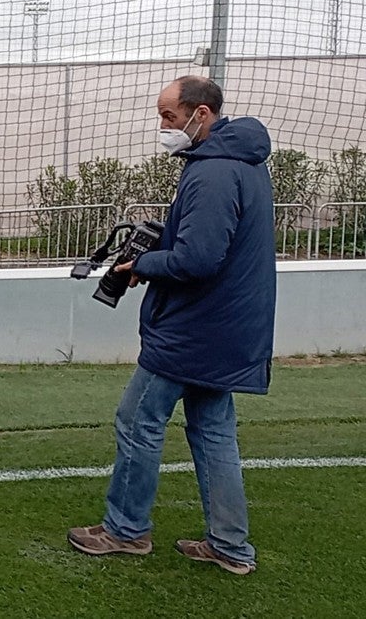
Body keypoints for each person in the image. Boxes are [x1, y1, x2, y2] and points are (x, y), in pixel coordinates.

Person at [67, 76, 275, 576]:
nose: (163, 126)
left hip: (193, 330)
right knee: (213, 431)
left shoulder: (213, 172)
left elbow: (199, 258)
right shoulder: (243, 165)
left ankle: (125, 530)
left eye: (168, 116)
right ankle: (230, 546)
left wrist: (145, 264)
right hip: (227, 328)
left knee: (137, 419)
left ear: (200, 114)